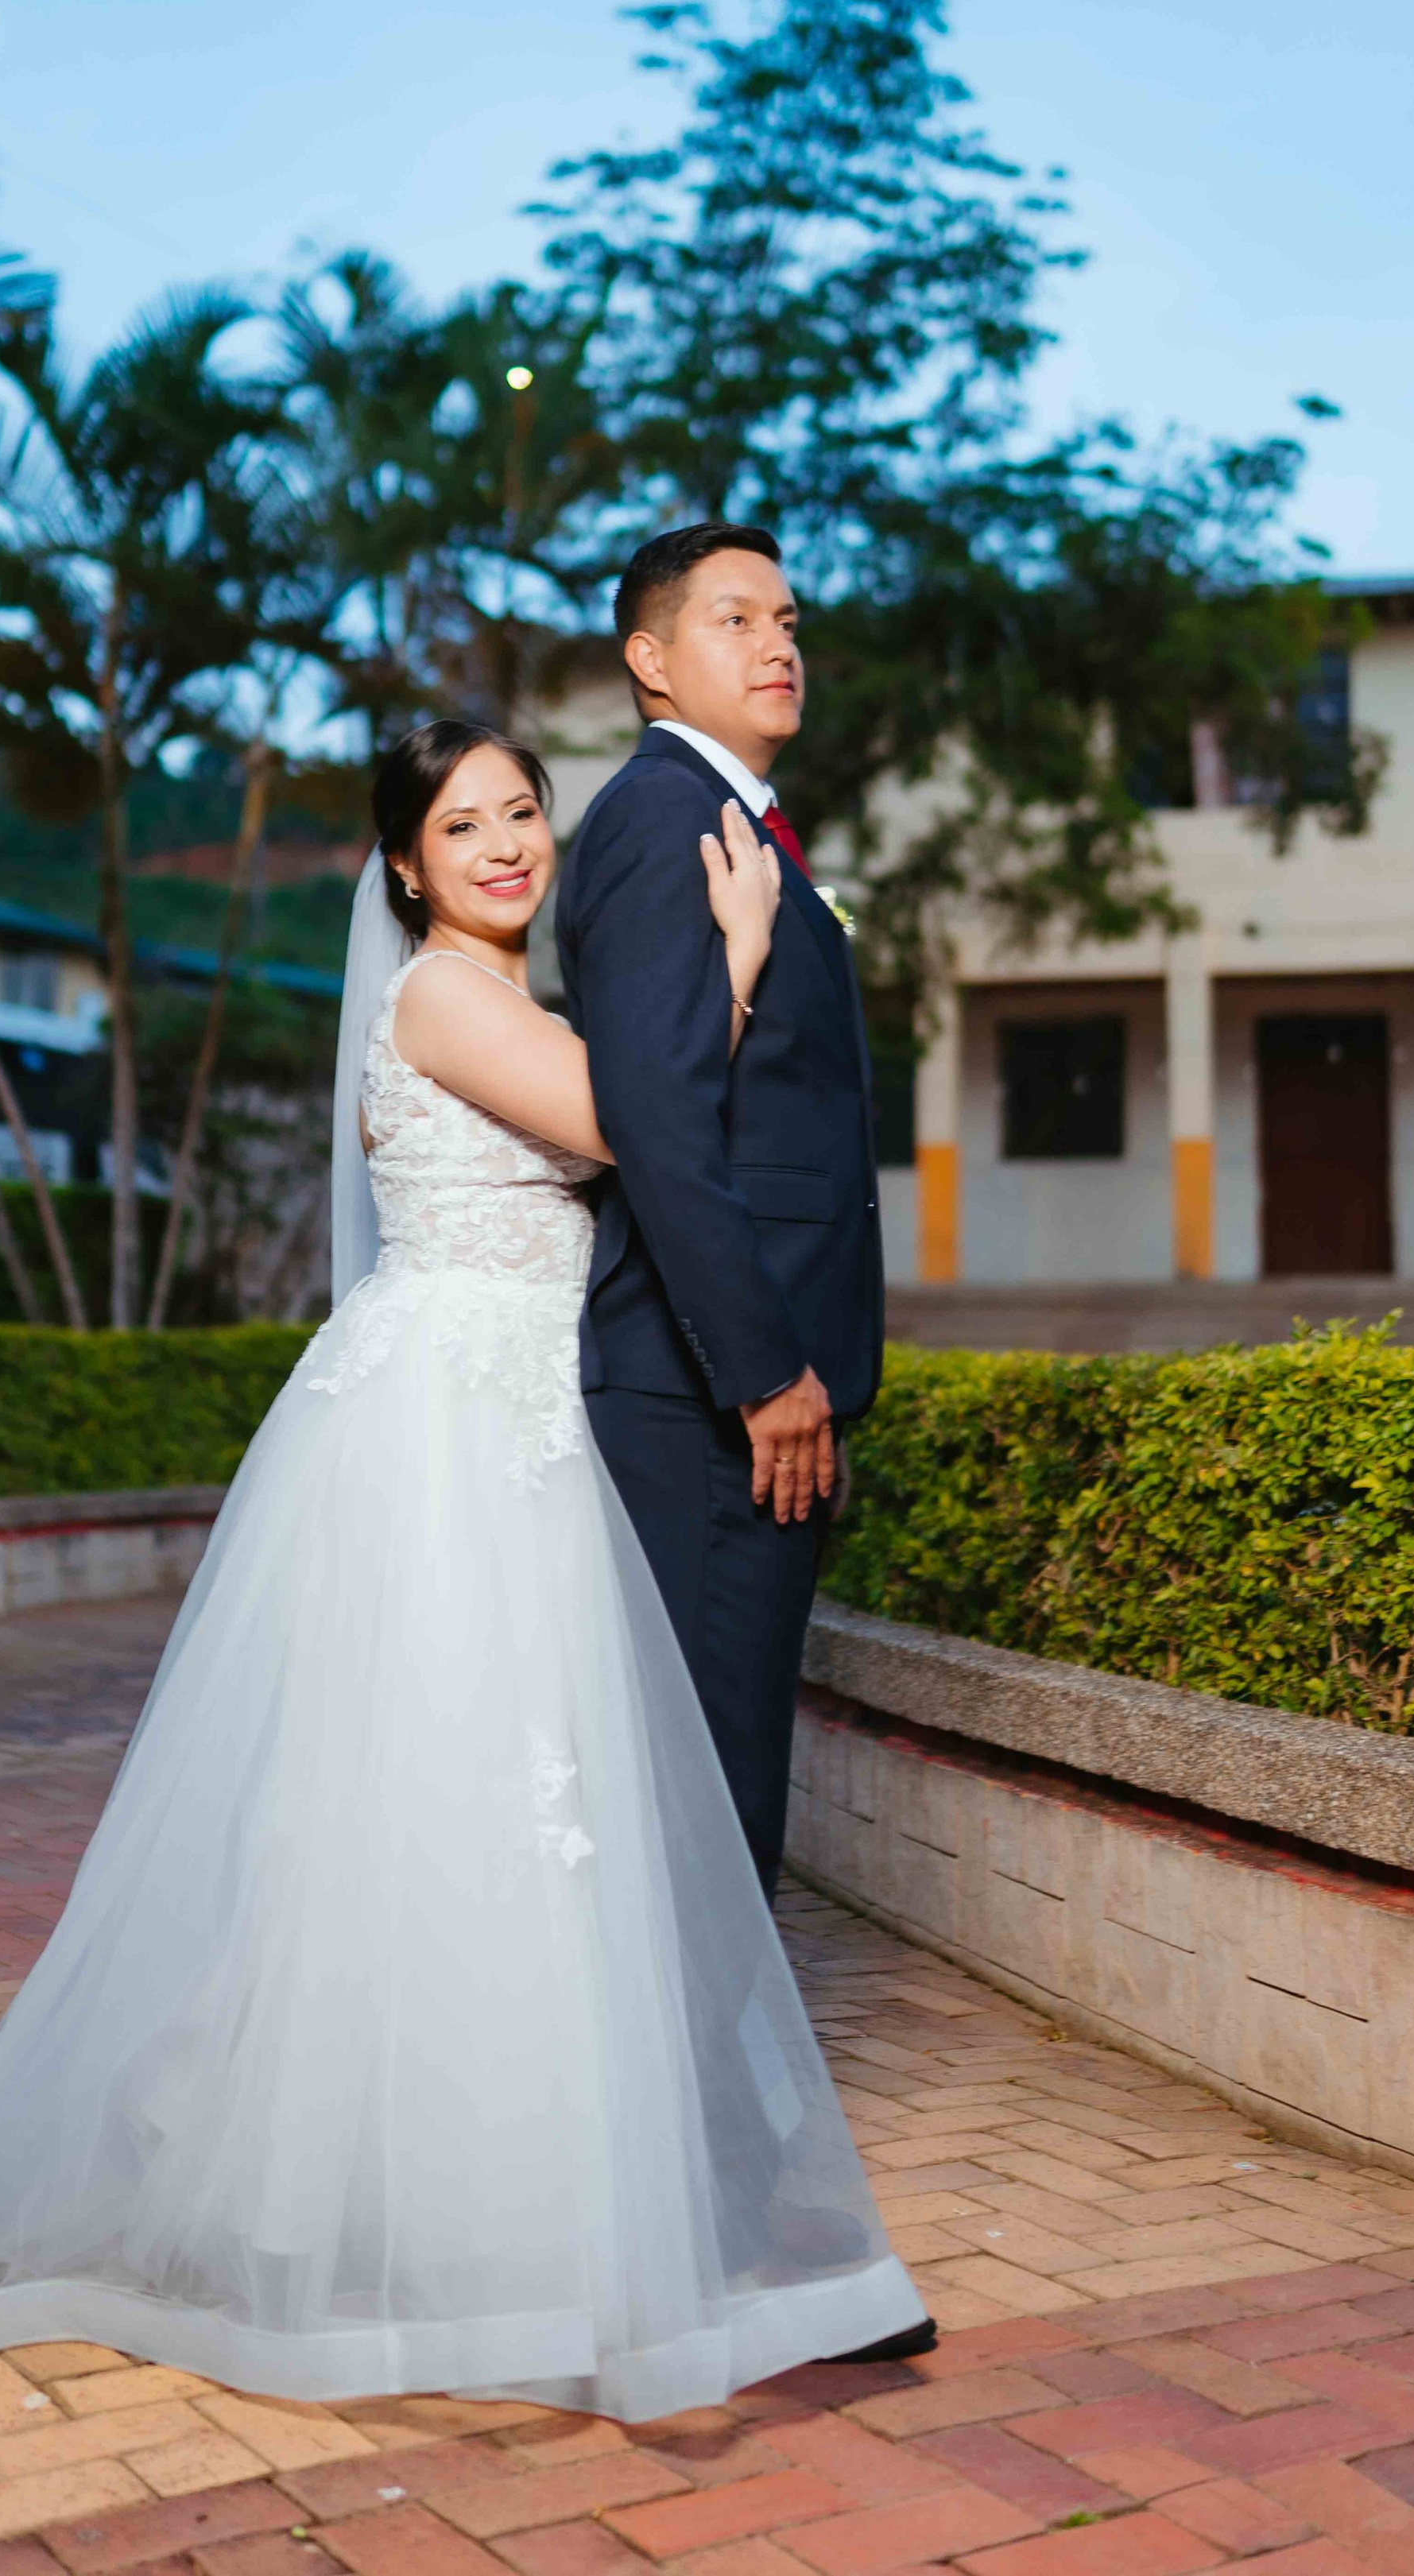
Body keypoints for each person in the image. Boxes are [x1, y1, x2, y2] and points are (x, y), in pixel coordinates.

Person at [0, 718, 925, 2416]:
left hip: (530, 1410)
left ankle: (534, 2161)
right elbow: (630, 1123)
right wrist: (744, 955)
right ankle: (380, 2172)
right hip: (453, 1430)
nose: (502, 844)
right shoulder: (442, 997)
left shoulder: (509, 990)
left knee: (519, 1810)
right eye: (461, 823)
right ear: (402, 863)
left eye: (520, 811)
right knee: (442, 1796)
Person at [558, 522, 883, 1907]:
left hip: (745, 1392)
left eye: (790, 620)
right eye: (736, 621)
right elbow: (663, 1124)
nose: (779, 645)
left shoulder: (738, 826)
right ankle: (692, 2117)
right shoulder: (656, 820)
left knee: (725, 1762)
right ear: (652, 660)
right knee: (704, 1786)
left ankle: (695, 2105)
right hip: (709, 1398)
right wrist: (765, 1374)